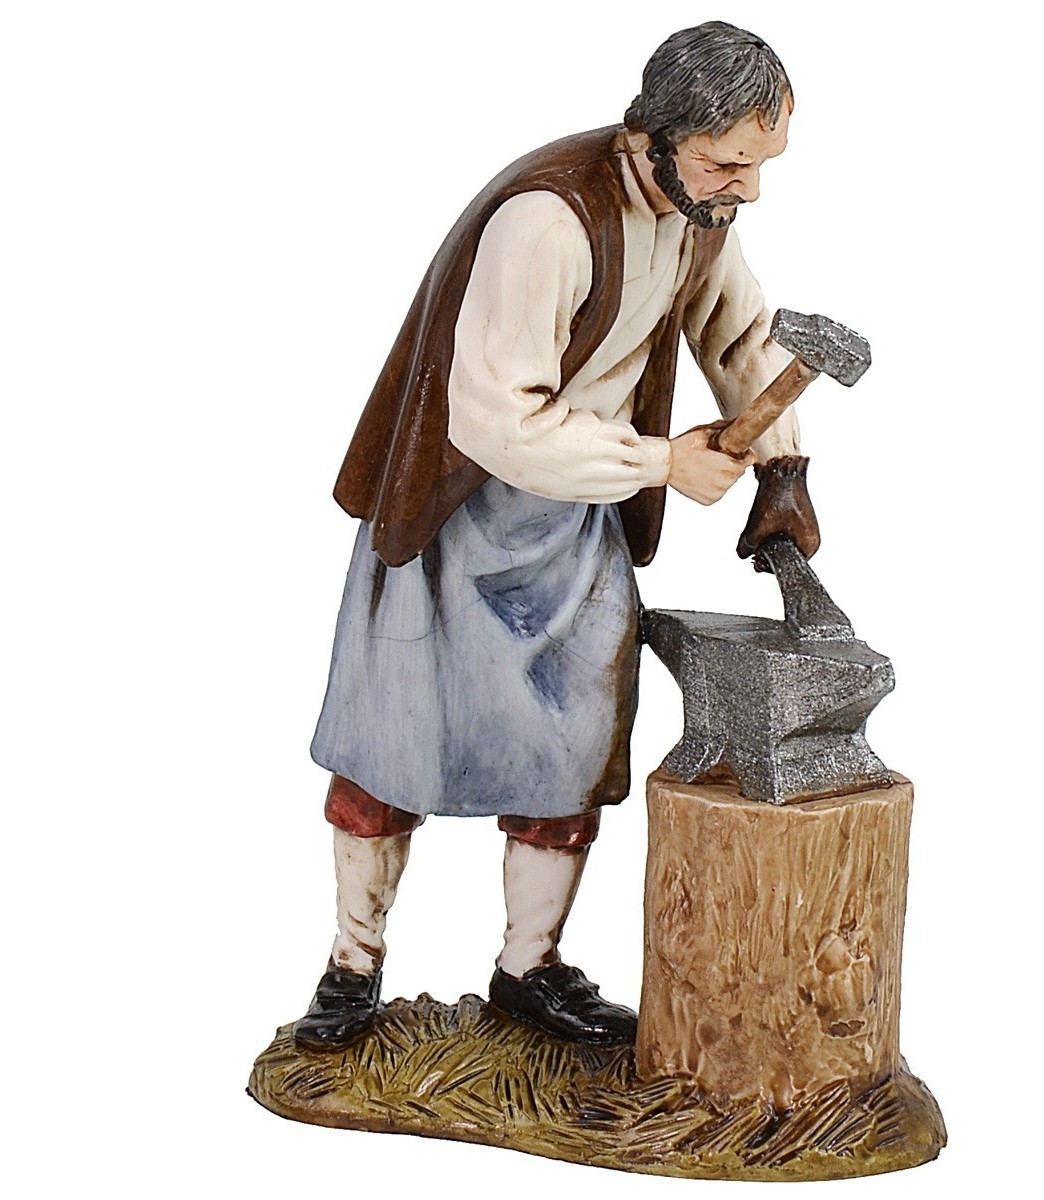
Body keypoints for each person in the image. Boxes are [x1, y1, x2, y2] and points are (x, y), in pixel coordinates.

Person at [294, 21, 820, 1051]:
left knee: (573, 754)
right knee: (390, 748)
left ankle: (528, 967)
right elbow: (498, 420)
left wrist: (784, 467)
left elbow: (739, 334)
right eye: (729, 164)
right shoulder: (547, 223)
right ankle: (352, 966)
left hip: (577, 524)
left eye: (762, 165)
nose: (749, 190)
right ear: (655, 135)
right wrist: (664, 462)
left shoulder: (700, 213)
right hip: (452, 515)